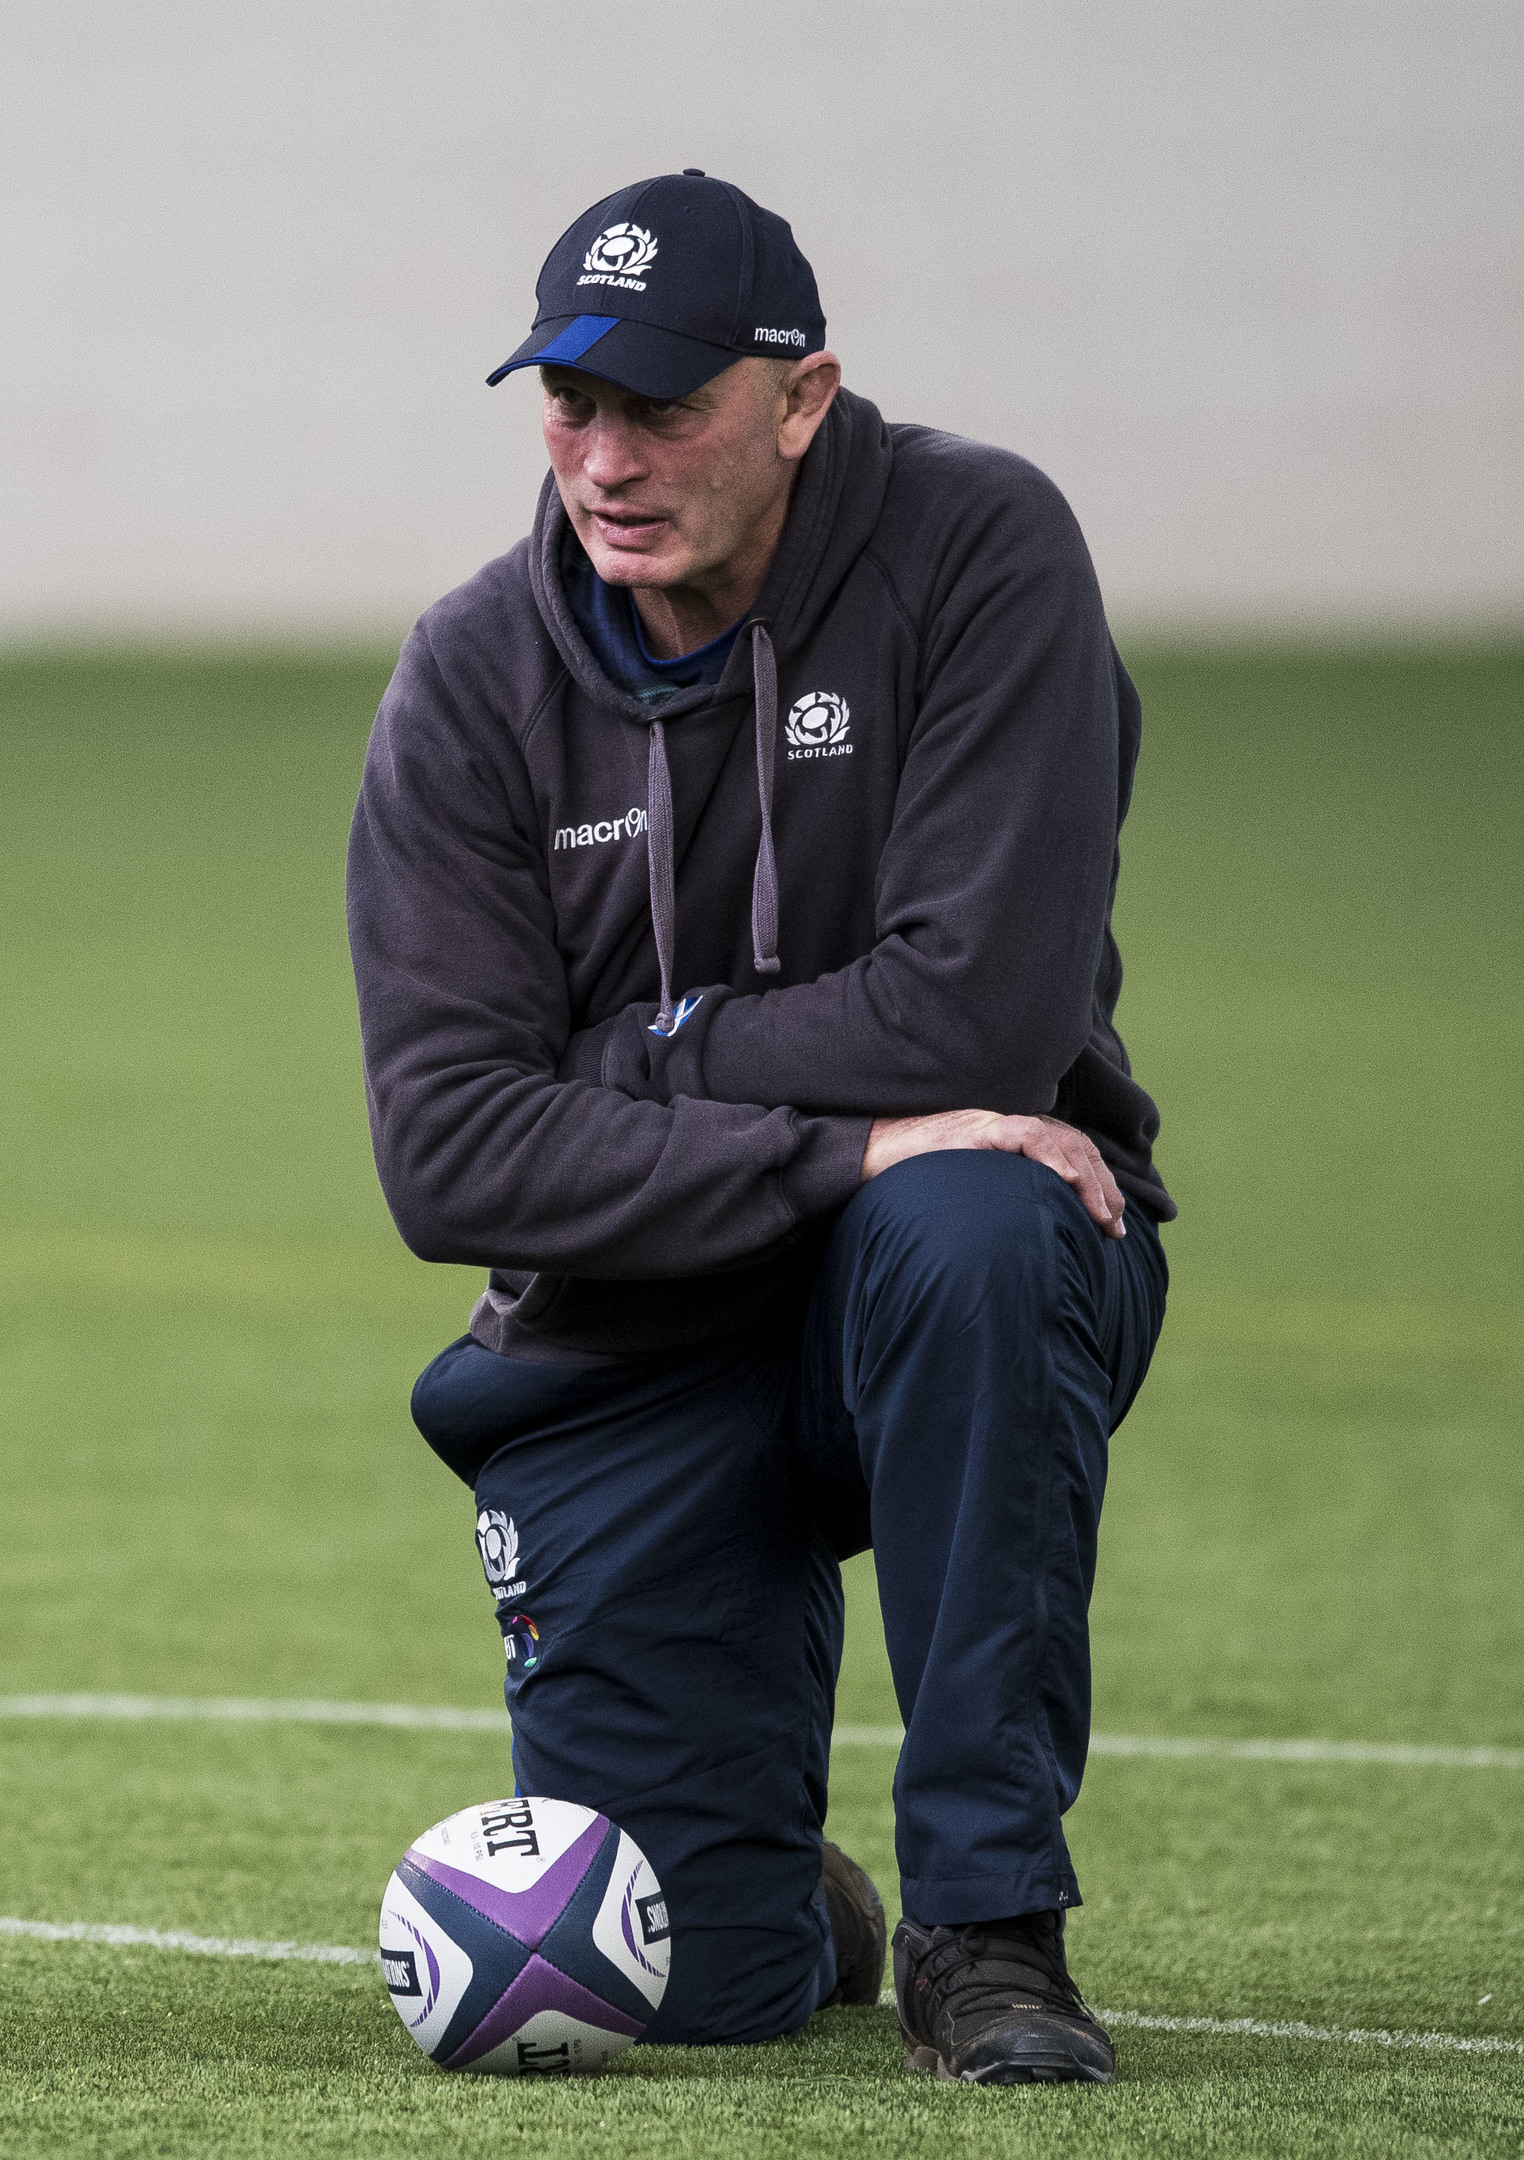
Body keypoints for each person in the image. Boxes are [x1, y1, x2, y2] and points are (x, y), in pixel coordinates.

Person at [348, 172, 1168, 2084]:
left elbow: (980, 1016)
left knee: (973, 1207)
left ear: (801, 398)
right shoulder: (473, 674)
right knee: (683, 1986)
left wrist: (635, 1065)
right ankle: (792, 1900)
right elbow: (450, 1155)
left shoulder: (981, 549)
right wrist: (835, 1140)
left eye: (667, 408)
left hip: (963, 1279)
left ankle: (989, 1929)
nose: (607, 460)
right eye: (570, 406)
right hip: (629, 1346)